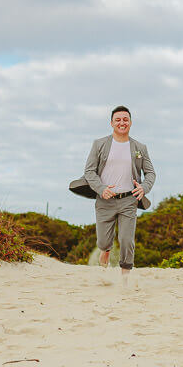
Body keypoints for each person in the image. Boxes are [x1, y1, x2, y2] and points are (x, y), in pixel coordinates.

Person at [69, 106, 156, 285]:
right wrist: (101, 189)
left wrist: (144, 188)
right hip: (105, 200)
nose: (122, 123)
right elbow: (89, 171)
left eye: (125, 119)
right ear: (111, 123)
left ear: (130, 123)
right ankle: (104, 268)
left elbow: (151, 173)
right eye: (118, 120)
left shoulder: (140, 147)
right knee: (104, 242)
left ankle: (125, 280)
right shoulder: (99, 144)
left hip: (128, 200)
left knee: (126, 240)